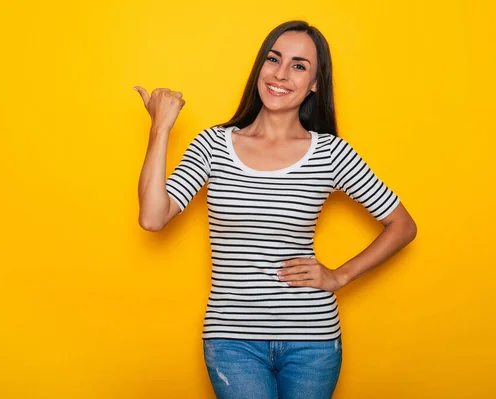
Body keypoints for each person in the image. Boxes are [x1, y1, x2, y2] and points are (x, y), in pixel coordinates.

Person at [135, 20, 417, 399]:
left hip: (313, 341)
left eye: (299, 66)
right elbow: (153, 217)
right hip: (233, 340)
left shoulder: (330, 154)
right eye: (274, 59)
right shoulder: (213, 146)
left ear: (316, 83)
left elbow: (402, 226)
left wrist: (339, 276)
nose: (281, 74)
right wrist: (161, 129)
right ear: (260, 68)